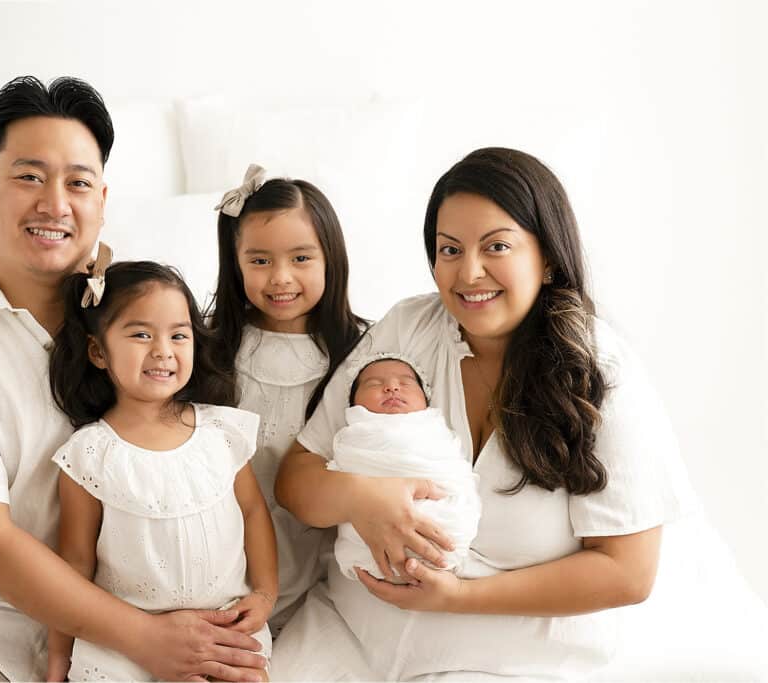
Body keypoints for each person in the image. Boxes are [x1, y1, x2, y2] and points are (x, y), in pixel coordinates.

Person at [0, 76, 267, 682]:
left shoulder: (137, 315)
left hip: (145, 604)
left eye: (78, 183)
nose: (56, 204)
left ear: (103, 200)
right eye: (30, 176)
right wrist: (146, 640)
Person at [271, 148, 691, 680]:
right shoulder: (407, 329)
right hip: (350, 631)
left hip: (505, 656)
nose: (469, 273)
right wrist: (360, 496)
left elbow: (628, 574)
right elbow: (296, 478)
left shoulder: (602, 373)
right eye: (450, 250)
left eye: (497, 246)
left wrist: (456, 598)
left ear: (548, 256)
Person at [44, 261, 278, 682]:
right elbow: (74, 566)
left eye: (178, 335)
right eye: (141, 334)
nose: (163, 350)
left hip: (223, 626)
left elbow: (254, 514)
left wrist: (264, 594)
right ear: (98, 351)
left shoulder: (221, 432)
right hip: (127, 639)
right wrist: (59, 656)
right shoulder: (89, 454)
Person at [206, 164, 368, 633]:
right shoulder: (209, 349)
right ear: (234, 265)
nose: (280, 278)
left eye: (301, 259)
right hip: (223, 564)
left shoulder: (362, 355)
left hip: (319, 570)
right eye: (259, 261)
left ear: (330, 260)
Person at [331, 355, 480, 582]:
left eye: (406, 382)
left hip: (442, 527)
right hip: (367, 538)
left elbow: (456, 475)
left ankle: (435, 546)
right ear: (353, 404)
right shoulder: (354, 437)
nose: (391, 387)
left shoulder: (436, 433)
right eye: (374, 383)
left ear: (426, 399)